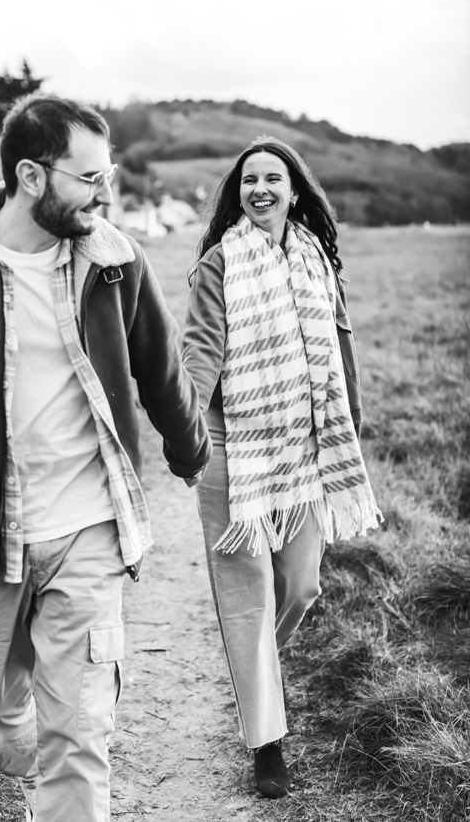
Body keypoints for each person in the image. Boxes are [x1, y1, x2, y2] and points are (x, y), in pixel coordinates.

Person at [0, 94, 212, 822]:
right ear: (31, 175)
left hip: (90, 529)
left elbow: (161, 366)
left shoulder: (114, 260)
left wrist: (191, 451)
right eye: (88, 177)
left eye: (107, 173)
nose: (106, 191)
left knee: (80, 735)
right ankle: (13, 724)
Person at [182, 136, 382, 799]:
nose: (261, 188)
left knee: (300, 589)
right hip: (231, 448)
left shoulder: (316, 259)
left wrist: (349, 419)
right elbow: (202, 349)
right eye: (249, 181)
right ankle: (268, 741)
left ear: (295, 189)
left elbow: (340, 339)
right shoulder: (219, 264)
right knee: (246, 601)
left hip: (303, 448)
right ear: (236, 194)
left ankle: (255, 673)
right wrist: (185, 432)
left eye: (274, 178)